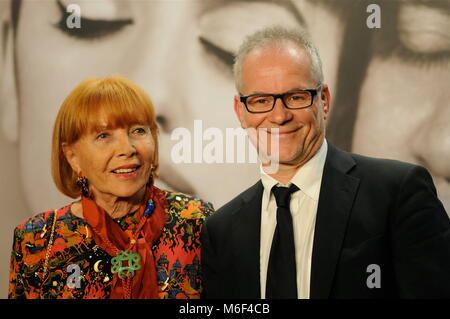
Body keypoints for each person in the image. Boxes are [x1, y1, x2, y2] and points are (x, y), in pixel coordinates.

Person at [201, 26, 450, 299]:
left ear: (324, 100)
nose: (279, 116)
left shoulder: (397, 192)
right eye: (261, 101)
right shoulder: (221, 231)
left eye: (296, 97)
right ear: (240, 111)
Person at [8, 76, 214, 299]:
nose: (127, 148)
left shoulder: (196, 220)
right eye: (104, 135)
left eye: (138, 131)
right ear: (72, 157)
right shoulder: (36, 238)